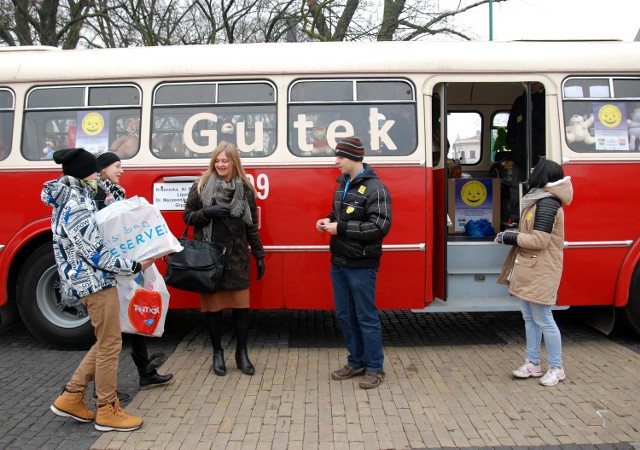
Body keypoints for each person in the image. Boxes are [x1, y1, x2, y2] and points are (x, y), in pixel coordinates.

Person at [43, 148, 154, 432]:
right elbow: (96, 253)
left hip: (94, 280)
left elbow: (112, 208)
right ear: (84, 173)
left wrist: (110, 191)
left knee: (106, 340)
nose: (97, 176)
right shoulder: (76, 205)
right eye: (94, 171)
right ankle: (107, 409)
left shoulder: (77, 197)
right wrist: (135, 266)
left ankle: (72, 395)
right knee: (110, 346)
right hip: (94, 281)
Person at [315, 137, 392, 389]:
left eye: (341, 157)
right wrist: (326, 221)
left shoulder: (376, 188)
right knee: (346, 316)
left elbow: (380, 227)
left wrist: (341, 228)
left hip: (361, 264)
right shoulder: (342, 185)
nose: (336, 161)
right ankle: (356, 361)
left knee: (366, 317)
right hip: (339, 262)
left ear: (354, 158)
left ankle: (375, 368)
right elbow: (338, 216)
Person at [183, 141, 265, 377]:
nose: (220, 164)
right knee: (214, 310)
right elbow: (187, 217)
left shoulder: (246, 189)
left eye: (225, 161)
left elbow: (252, 227)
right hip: (210, 258)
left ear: (233, 163)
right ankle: (217, 353)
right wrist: (205, 213)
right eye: (217, 161)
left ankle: (242, 353)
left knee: (241, 309)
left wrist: (259, 255)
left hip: (238, 258)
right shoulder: (201, 186)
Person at [95, 151, 174, 392]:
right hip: (110, 270)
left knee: (134, 318)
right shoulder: (98, 196)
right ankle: (103, 388)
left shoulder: (114, 194)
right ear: (103, 169)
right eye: (117, 166)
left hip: (126, 267)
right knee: (109, 333)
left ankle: (145, 373)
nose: (122, 170)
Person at [495, 159, 573, 387]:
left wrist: (507, 236)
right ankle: (533, 363)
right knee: (530, 318)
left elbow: (539, 240)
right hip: (531, 267)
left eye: (535, 171)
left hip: (540, 268)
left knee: (544, 319)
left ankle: (557, 367)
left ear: (542, 175)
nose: (530, 174)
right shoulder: (541, 199)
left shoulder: (547, 203)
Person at [506, 82, 546, 226]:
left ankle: (537, 219)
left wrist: (533, 111)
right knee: (516, 187)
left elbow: (543, 125)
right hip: (520, 155)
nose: (533, 86)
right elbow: (511, 126)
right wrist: (513, 145)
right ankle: (516, 217)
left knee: (538, 187)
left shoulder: (546, 100)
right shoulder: (519, 101)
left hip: (539, 156)